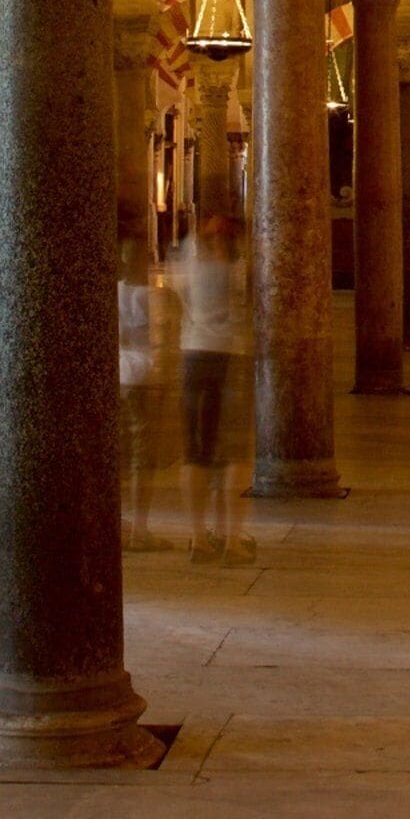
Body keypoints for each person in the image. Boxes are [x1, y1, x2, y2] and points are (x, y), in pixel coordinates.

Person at [176, 210, 254, 562]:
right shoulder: (238, 266)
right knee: (234, 451)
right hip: (228, 356)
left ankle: (199, 539)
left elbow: (178, 291)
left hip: (193, 354)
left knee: (197, 450)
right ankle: (233, 541)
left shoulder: (187, 259)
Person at [117, 238, 172, 551]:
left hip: (117, 376)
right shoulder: (148, 297)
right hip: (142, 377)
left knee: (118, 454)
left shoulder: (112, 292)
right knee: (142, 457)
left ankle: (117, 521)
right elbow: (158, 341)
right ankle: (139, 527)